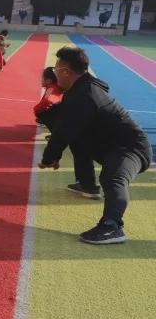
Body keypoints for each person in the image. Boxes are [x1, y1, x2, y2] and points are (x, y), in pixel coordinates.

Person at [38, 47, 151, 245]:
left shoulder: (84, 94)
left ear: (66, 71)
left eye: (56, 69)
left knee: (112, 177)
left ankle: (112, 226)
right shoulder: (82, 87)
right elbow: (66, 128)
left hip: (131, 148)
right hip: (109, 145)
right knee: (78, 138)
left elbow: (63, 131)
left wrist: (49, 158)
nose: (54, 74)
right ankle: (87, 184)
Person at [33, 67, 63, 133]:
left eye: (43, 78)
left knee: (40, 112)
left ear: (49, 81)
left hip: (61, 115)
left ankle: (55, 130)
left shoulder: (51, 89)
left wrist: (36, 109)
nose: (41, 80)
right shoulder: (56, 86)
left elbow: (48, 100)